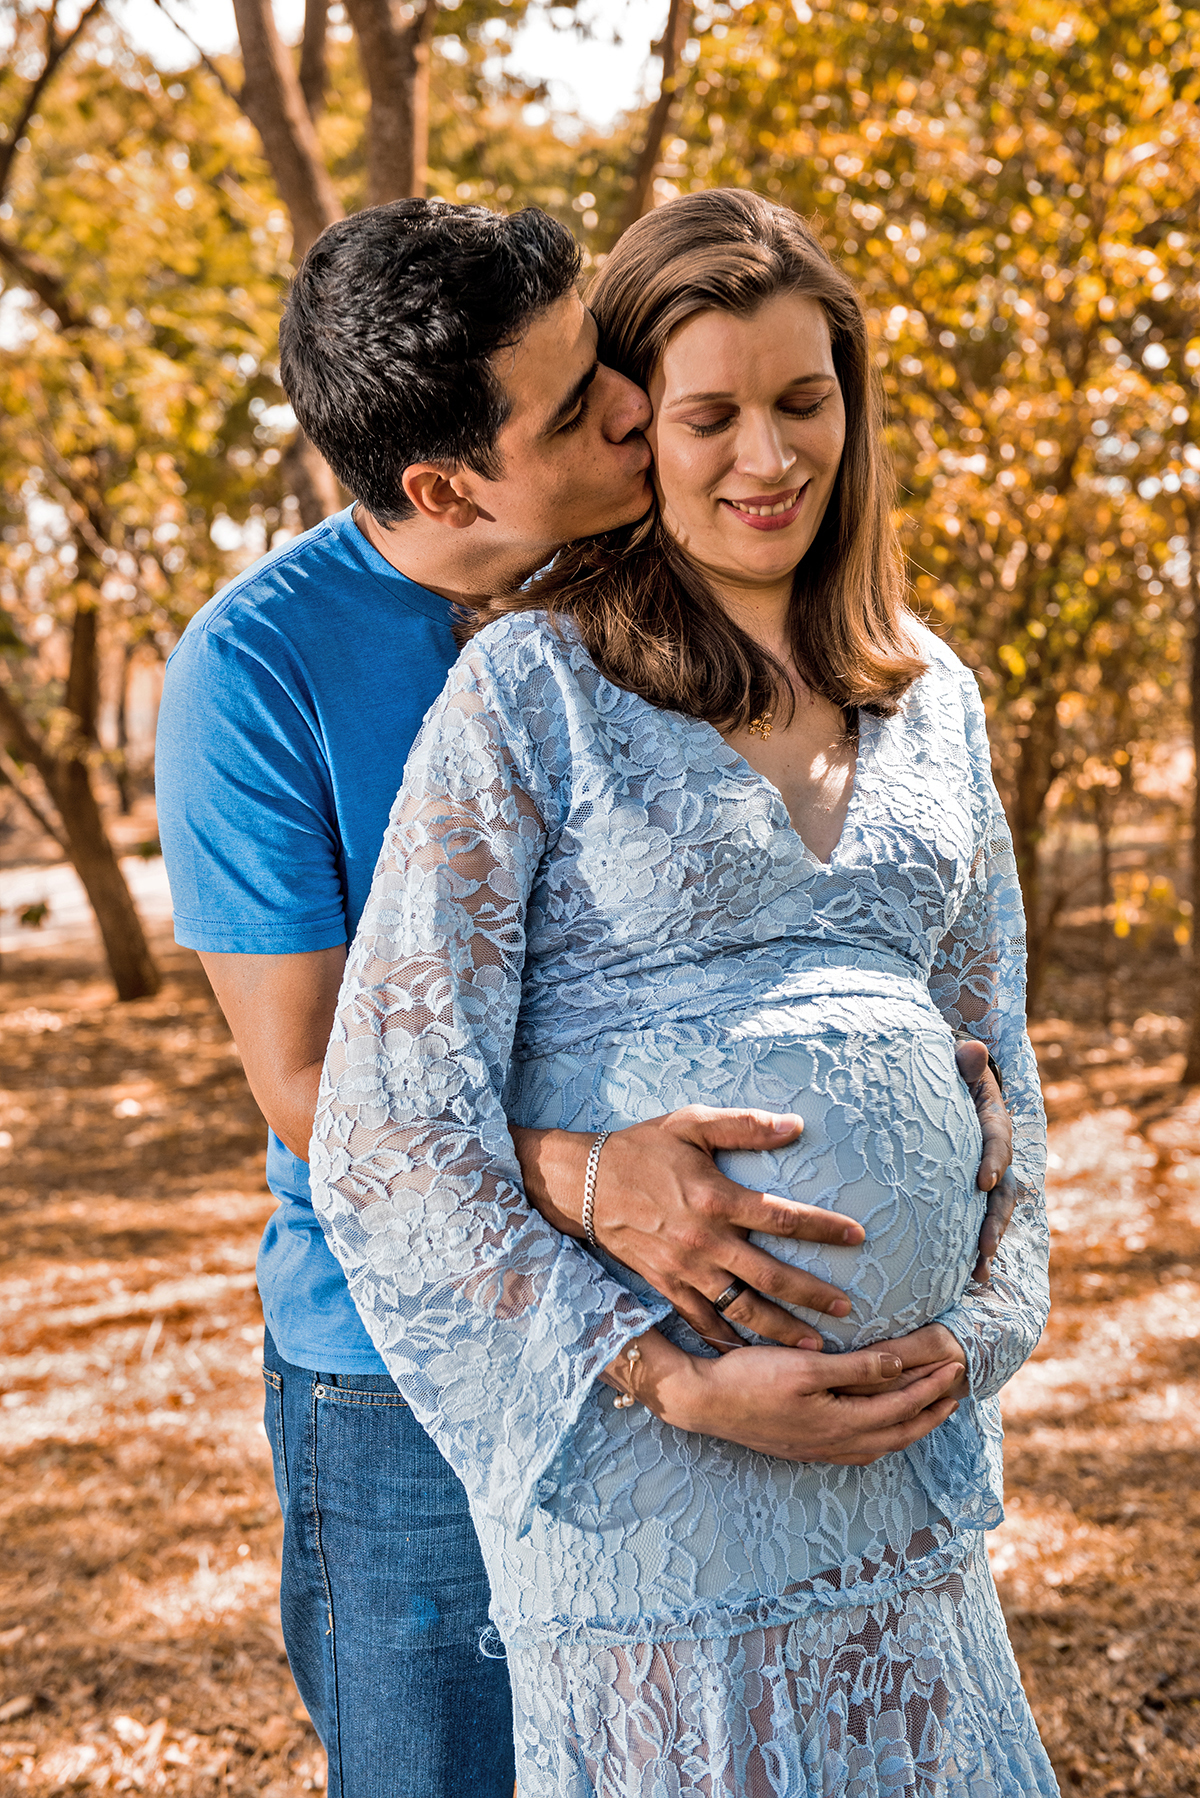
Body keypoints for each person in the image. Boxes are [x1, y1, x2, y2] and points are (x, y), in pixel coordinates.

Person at [156, 199, 1013, 1798]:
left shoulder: (661, 576)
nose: (632, 412)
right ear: (448, 485)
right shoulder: (260, 671)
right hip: (393, 1353)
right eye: (581, 405)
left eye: (613, 369)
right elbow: (310, 1078)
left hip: (737, 1369)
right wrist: (591, 1173)